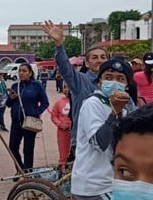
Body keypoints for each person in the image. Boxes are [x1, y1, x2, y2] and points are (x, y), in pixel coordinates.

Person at [72, 59, 135, 200]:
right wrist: (114, 113)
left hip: (113, 182)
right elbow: (100, 143)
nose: (114, 82)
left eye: (120, 79)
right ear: (99, 82)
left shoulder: (125, 110)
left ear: (126, 86)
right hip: (95, 185)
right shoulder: (93, 104)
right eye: (108, 77)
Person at [42, 20, 108, 151]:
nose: (99, 60)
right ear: (87, 64)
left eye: (103, 57)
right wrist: (59, 44)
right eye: (94, 58)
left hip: (110, 143)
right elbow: (65, 68)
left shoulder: (116, 85)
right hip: (84, 143)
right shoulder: (80, 81)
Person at [5, 63, 49, 170]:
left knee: (28, 149)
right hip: (16, 121)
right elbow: (8, 104)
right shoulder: (15, 86)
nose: (21, 73)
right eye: (19, 71)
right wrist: (11, 97)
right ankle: (21, 169)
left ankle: (28, 173)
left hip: (30, 121)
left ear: (30, 73)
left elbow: (45, 103)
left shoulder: (36, 85)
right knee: (12, 147)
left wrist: (35, 112)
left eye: (24, 71)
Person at [49, 82, 71, 171]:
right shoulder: (59, 102)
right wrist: (60, 124)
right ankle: (62, 168)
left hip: (75, 131)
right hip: (62, 131)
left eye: (69, 87)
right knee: (63, 150)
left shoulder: (79, 101)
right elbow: (54, 116)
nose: (66, 90)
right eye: (64, 87)